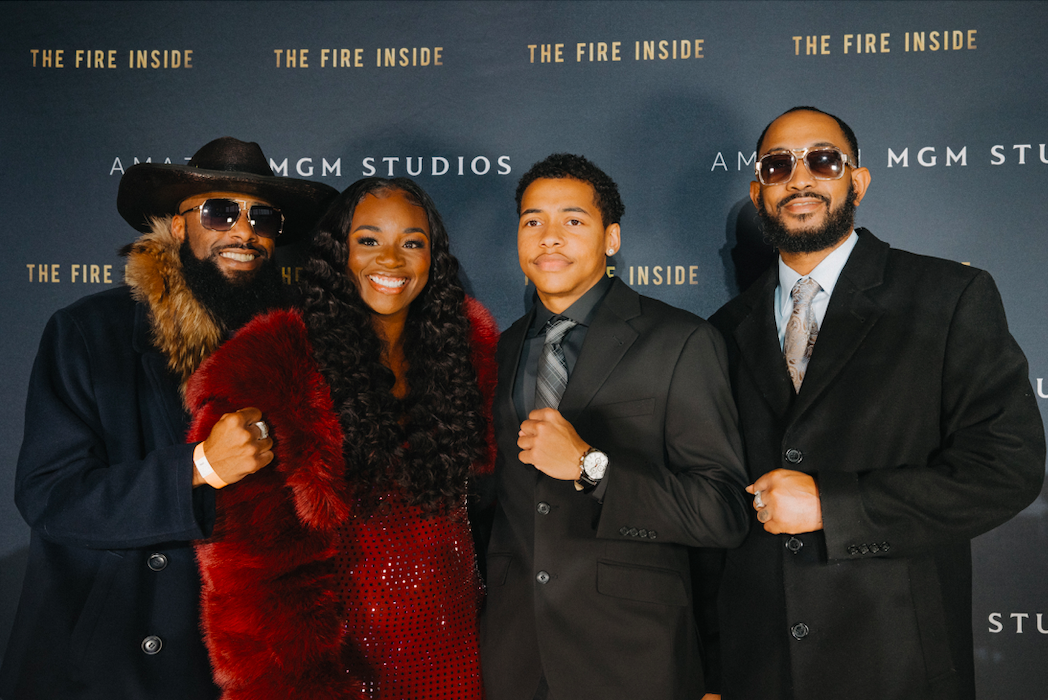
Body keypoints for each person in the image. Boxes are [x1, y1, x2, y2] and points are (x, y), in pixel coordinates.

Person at [709, 106, 1046, 700]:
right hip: (757, 671)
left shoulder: (948, 296)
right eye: (778, 165)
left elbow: (1006, 471)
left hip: (899, 665)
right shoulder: (721, 329)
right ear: (759, 191)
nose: (801, 178)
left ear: (857, 182)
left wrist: (833, 507)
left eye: (823, 160)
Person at [0, 137, 337, 699]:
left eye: (262, 218)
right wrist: (197, 467)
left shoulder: (297, 345)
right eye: (220, 212)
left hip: (249, 659)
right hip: (116, 663)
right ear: (179, 227)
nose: (243, 231)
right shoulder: (89, 332)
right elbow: (49, 495)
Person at [185, 177, 499, 699]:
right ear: (337, 254)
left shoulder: (465, 354)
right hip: (342, 672)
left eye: (412, 242)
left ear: (434, 257)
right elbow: (244, 577)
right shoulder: (273, 368)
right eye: (369, 240)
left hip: (459, 655)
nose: (391, 260)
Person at [478, 153, 751, 700]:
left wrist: (589, 466)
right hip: (514, 658)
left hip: (634, 660)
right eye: (533, 220)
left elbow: (722, 511)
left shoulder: (680, 341)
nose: (549, 237)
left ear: (612, 238)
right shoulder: (498, 349)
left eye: (572, 220)